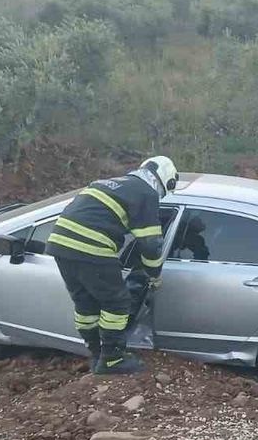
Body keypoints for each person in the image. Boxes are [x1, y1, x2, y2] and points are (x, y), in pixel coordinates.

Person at [45, 156, 178, 375]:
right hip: (90, 246)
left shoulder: (112, 184)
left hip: (60, 244)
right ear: (167, 181)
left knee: (85, 303)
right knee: (117, 303)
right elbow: (151, 243)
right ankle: (112, 359)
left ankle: (97, 354)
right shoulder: (146, 193)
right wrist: (153, 275)